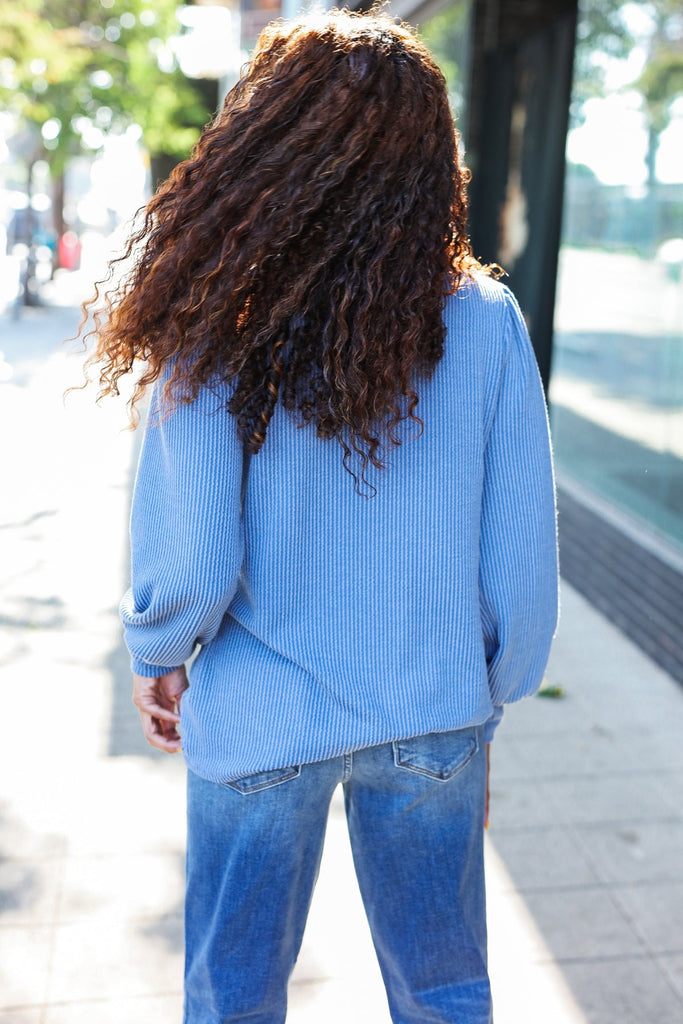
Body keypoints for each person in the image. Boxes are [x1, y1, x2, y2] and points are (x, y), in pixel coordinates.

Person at [84, 8, 558, 1023]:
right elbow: (517, 559)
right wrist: (492, 691)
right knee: (442, 993)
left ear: (262, 143)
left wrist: (155, 648)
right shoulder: (484, 320)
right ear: (432, 155)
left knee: (231, 997)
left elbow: (196, 554)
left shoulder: (215, 316)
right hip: (432, 709)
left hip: (257, 719)